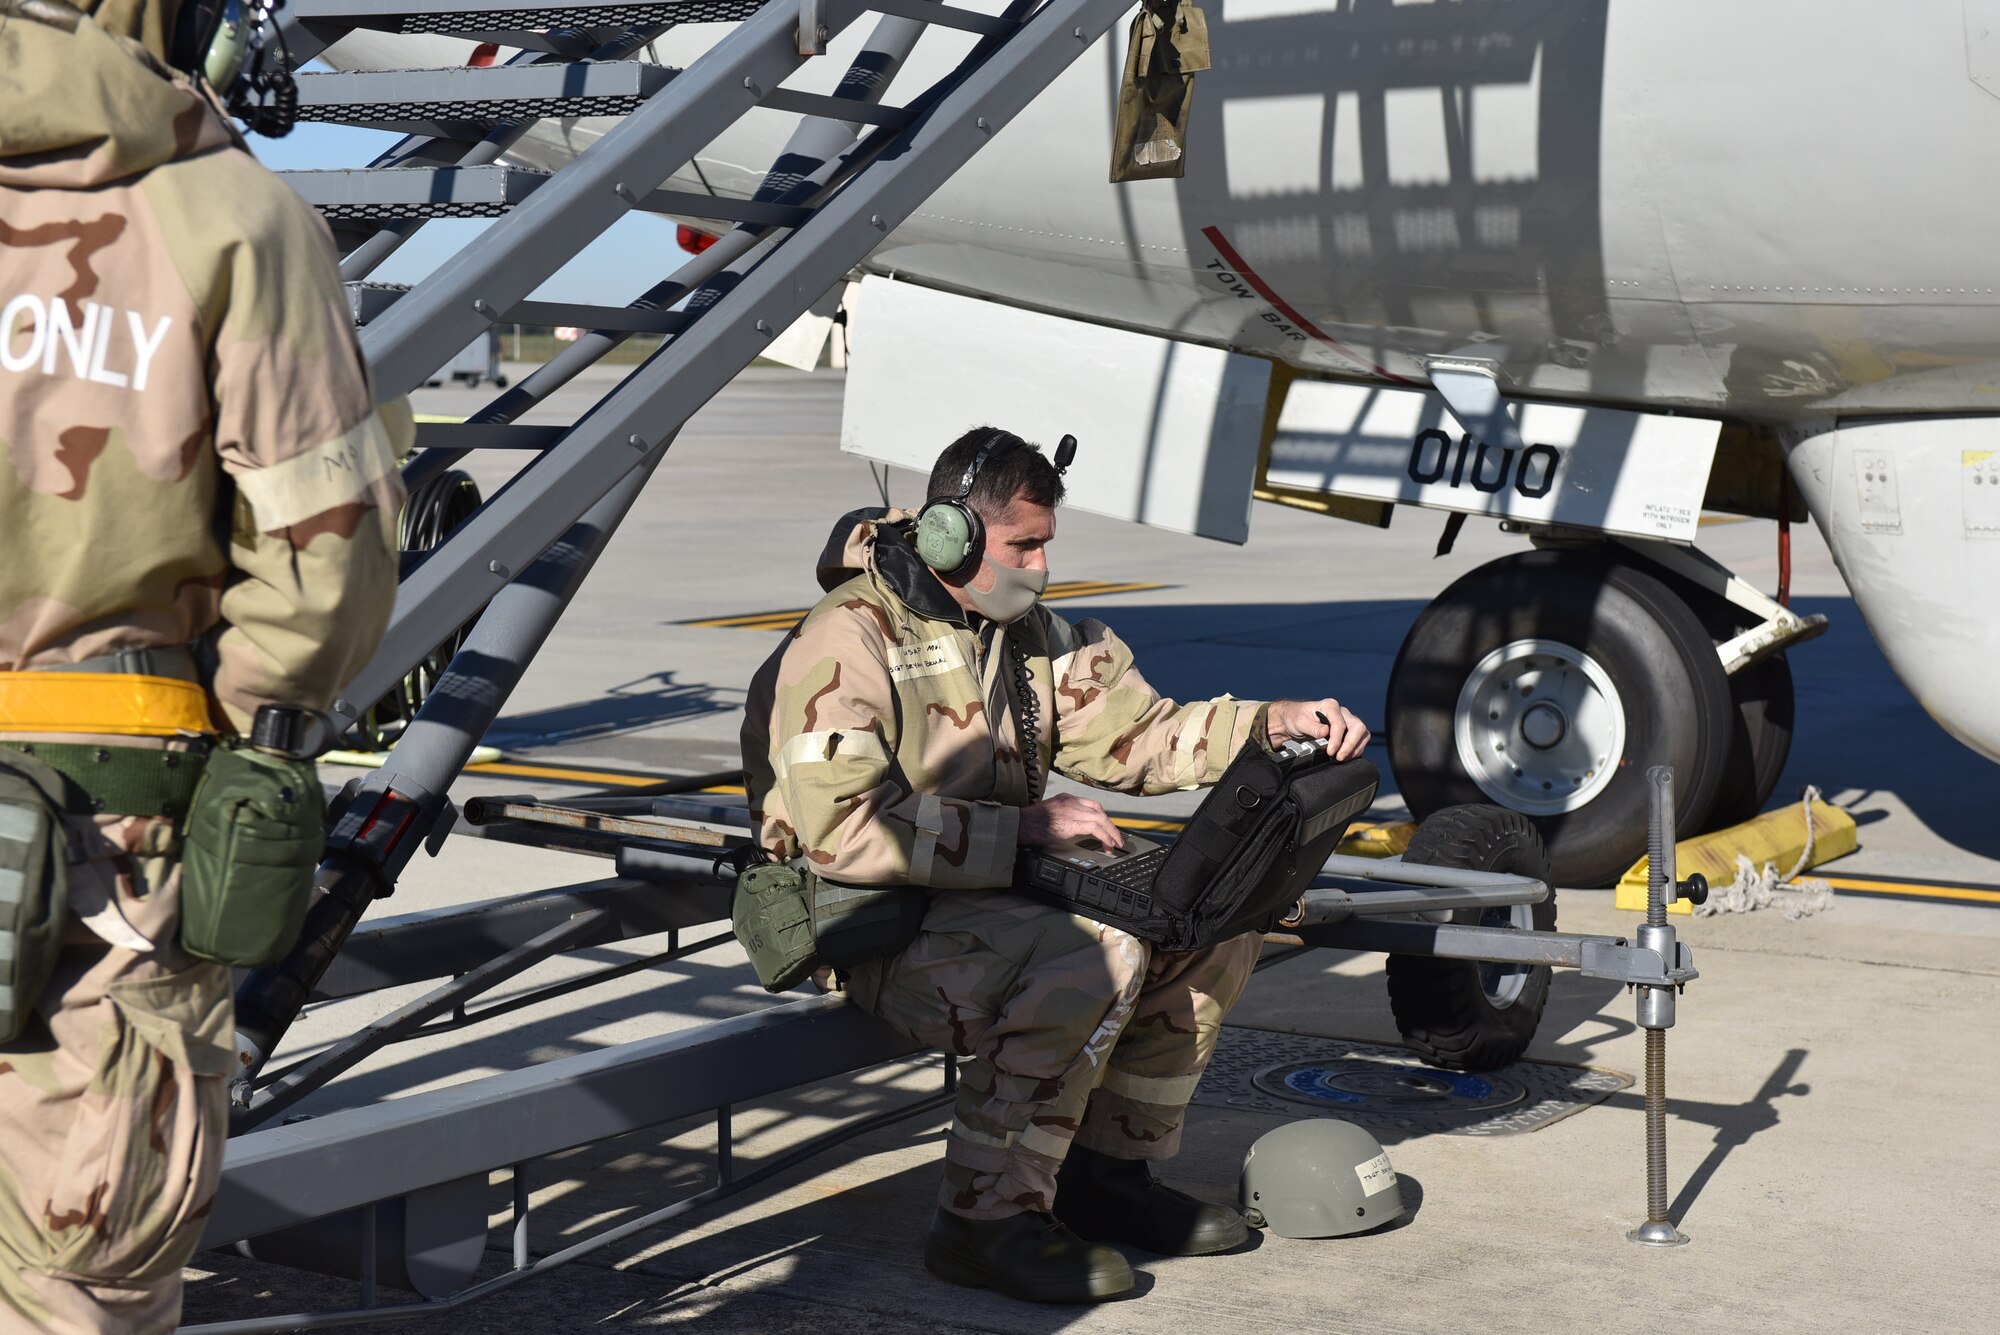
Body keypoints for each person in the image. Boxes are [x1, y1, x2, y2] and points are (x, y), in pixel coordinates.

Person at [741, 427, 1369, 1304]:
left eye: (1046, 544)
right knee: (1096, 951)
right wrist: (1026, 827)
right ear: (949, 537)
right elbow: (840, 830)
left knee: (1213, 926)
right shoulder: (851, 637)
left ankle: (1108, 1177)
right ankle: (982, 1219)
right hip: (872, 923)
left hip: (987, 896)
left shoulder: (1025, 634)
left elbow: (1140, 736)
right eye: (1023, 545)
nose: (1040, 565)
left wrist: (1274, 723)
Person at [0, 3, 407, 1329]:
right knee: (82, 1264)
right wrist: (235, 733)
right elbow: (323, 561)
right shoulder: (235, 217)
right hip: (111, 839)